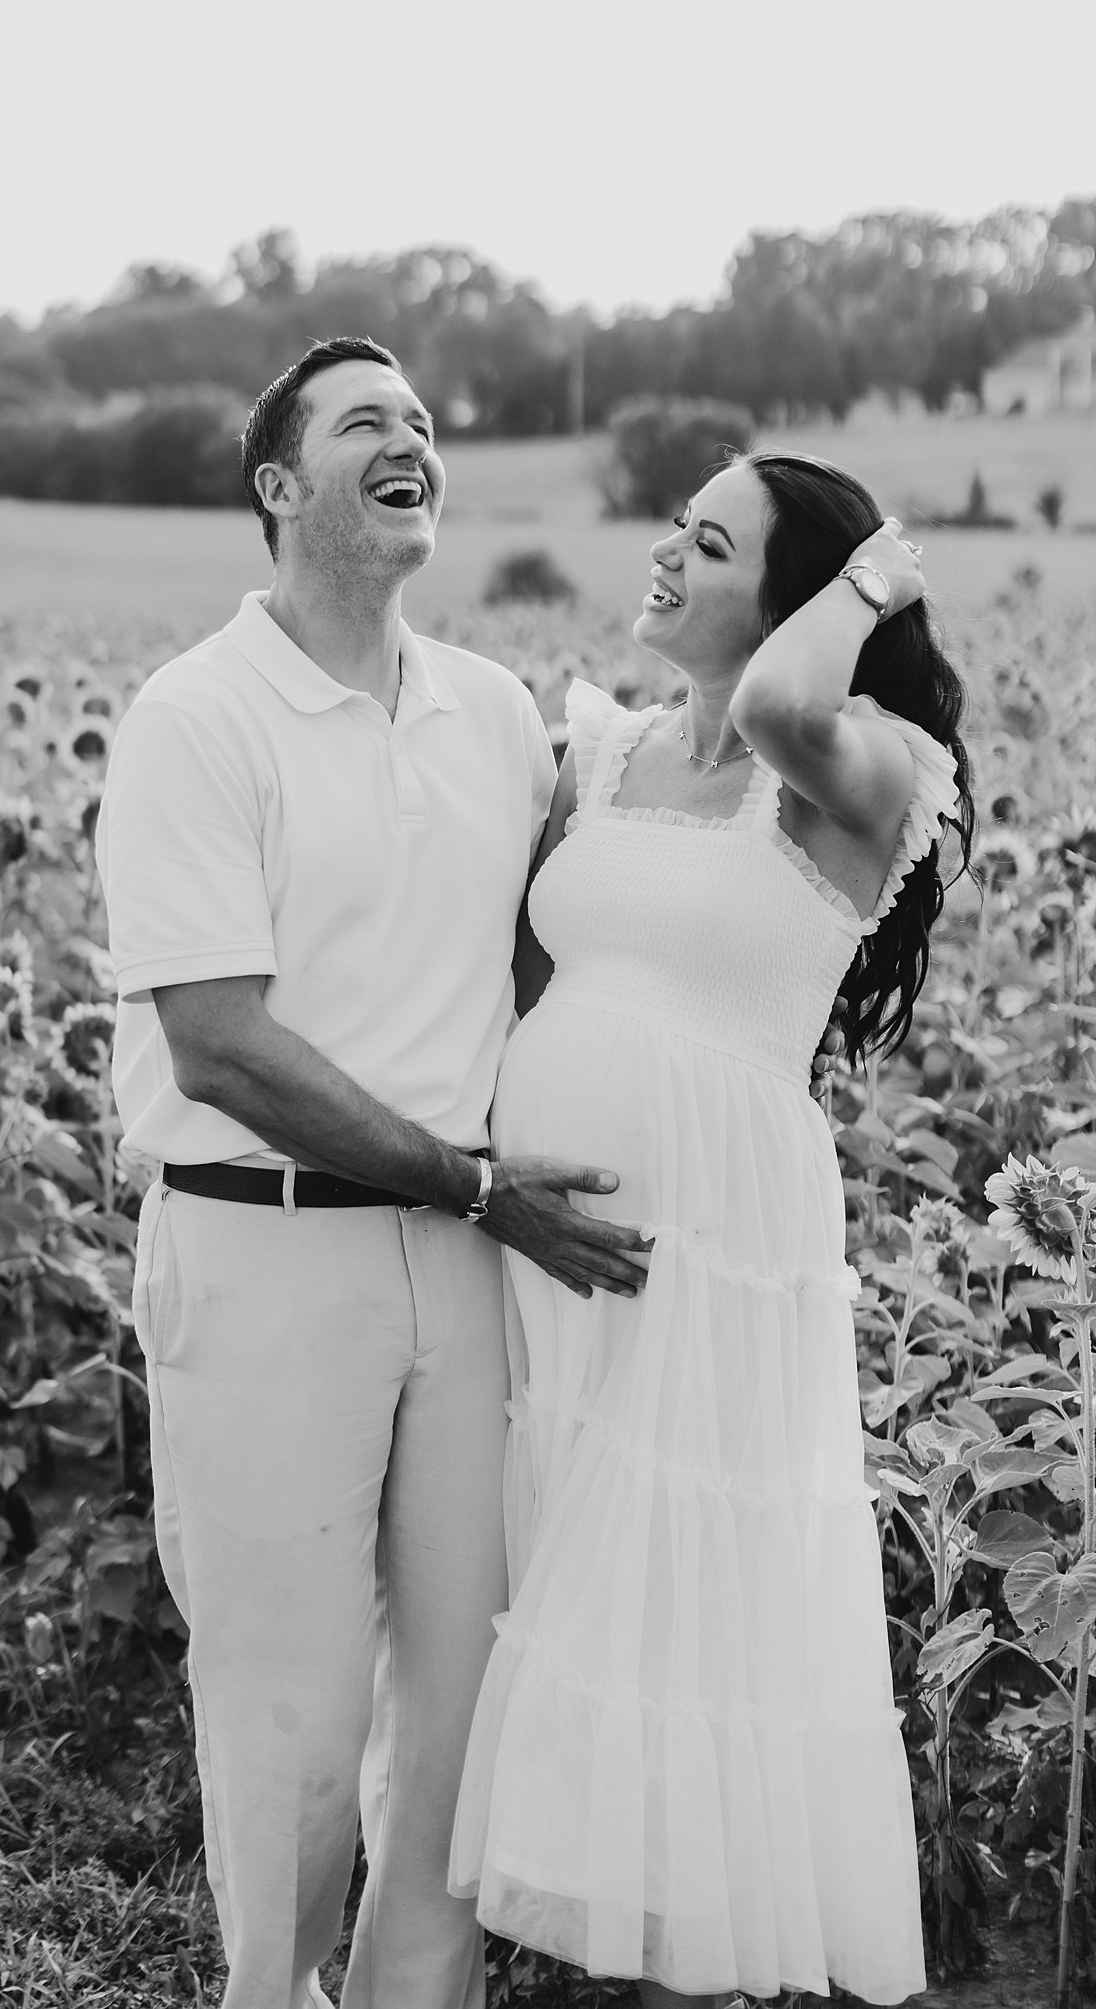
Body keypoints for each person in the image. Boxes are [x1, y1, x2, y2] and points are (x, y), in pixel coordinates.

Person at [94, 335, 654, 2009]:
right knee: (294, 1728)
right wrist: (476, 1186)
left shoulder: (493, 712)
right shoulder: (198, 717)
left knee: (458, 1714)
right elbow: (219, 1043)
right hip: (266, 1247)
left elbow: (542, 967)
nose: (412, 437)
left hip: (472, 1258)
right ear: (279, 486)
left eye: (422, 420)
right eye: (366, 423)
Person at [449, 452, 974, 2006]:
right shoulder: (601, 752)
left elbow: (768, 709)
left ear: (798, 595)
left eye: (715, 540)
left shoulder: (859, 758)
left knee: (694, 1589)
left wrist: (878, 574)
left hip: (710, 1240)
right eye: (675, 524)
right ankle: (585, 1950)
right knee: (563, 1557)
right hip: (540, 1230)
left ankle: (693, 1970)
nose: (668, 553)